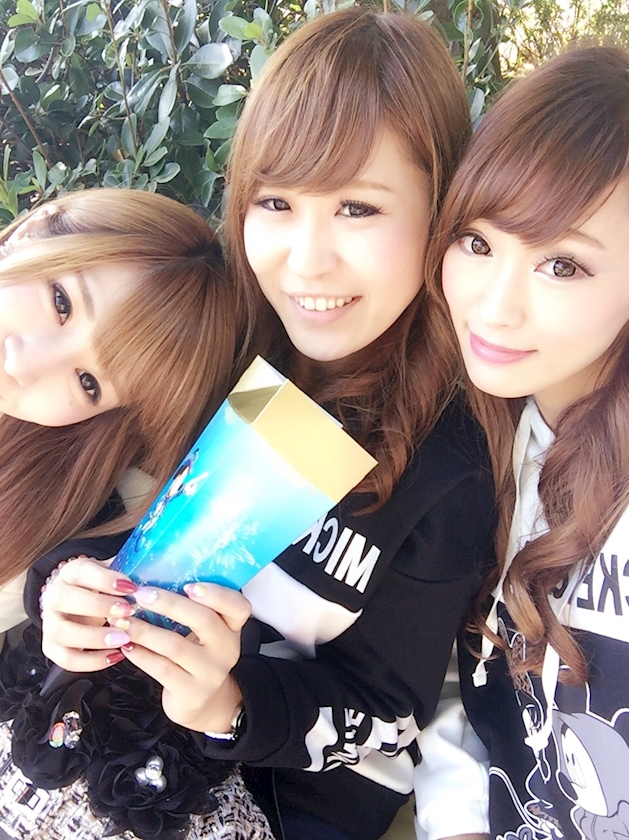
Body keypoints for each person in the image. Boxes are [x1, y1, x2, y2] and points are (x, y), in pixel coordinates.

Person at [22, 10, 495, 840]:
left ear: (440, 212)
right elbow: (88, 514)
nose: (306, 260)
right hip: (104, 748)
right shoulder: (222, 352)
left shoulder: (449, 464)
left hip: (283, 806)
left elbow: (390, 716)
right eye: (276, 201)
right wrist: (63, 594)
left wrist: (230, 703)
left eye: (357, 208)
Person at [415, 44, 629, 840]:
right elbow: (460, 681)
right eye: (477, 242)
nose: (494, 307)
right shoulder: (476, 444)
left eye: (562, 265)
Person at [0, 187, 243, 652]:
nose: (23, 365)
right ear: (33, 228)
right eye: (61, 302)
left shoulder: (36, 512)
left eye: (88, 382)